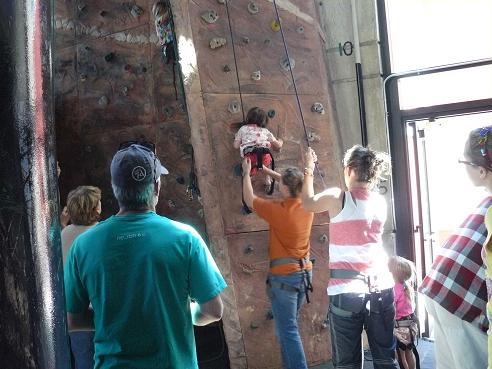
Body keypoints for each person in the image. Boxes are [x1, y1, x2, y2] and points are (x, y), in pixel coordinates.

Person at [64, 142, 227, 369]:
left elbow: (73, 319)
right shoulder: (186, 238)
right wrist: (181, 312)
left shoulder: (83, 246)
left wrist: (113, 318)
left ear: (114, 188)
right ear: (157, 187)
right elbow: (213, 310)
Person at [302, 145, 398, 369]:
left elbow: (307, 203)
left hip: (346, 292)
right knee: (385, 359)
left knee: (347, 364)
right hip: (382, 287)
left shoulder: (337, 196)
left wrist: (308, 169)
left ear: (350, 169)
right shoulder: (379, 202)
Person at [419, 126, 492, 369]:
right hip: (460, 298)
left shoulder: (487, 201)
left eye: (464, 162)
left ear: (481, 170)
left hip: (445, 290)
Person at [242, 157, 314, 369]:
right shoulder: (307, 204)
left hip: (284, 278)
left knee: (288, 331)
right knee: (288, 328)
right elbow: (291, 182)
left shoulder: (278, 212)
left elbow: (249, 198)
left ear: (283, 188)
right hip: (304, 275)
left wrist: (246, 172)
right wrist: (268, 172)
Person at [61, 185, 102, 369]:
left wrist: (63, 224)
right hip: (103, 315)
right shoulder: (103, 233)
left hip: (74, 319)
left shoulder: (64, 234)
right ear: (95, 208)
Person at [234, 107, 283, 191]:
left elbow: (235, 146)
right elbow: (278, 145)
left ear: (248, 118)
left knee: (248, 168)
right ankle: (267, 179)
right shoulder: (265, 131)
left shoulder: (242, 129)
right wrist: (281, 141)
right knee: (267, 164)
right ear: (264, 121)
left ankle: (250, 177)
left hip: (250, 156)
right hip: (265, 155)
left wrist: (237, 138)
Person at [388, 256, 418, 369]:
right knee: (409, 352)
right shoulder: (407, 287)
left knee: (400, 356)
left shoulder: (395, 289)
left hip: (400, 327)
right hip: (411, 326)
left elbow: (392, 309)